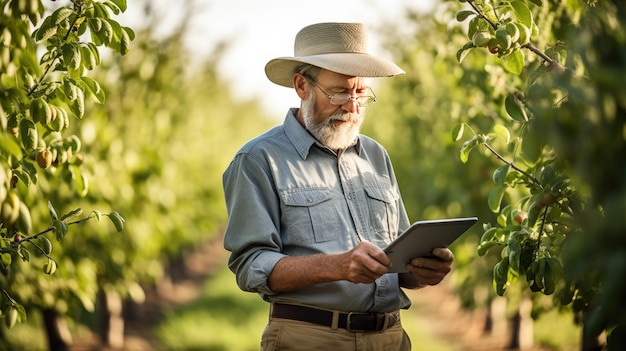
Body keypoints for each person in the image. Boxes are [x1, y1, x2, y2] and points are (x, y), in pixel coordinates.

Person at [222, 22, 454, 351]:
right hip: (310, 338)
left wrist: (424, 270)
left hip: (391, 338)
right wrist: (337, 265)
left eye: (361, 93)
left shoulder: (375, 155)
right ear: (301, 86)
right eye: (340, 92)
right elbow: (251, 266)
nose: (353, 107)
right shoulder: (259, 159)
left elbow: (398, 266)